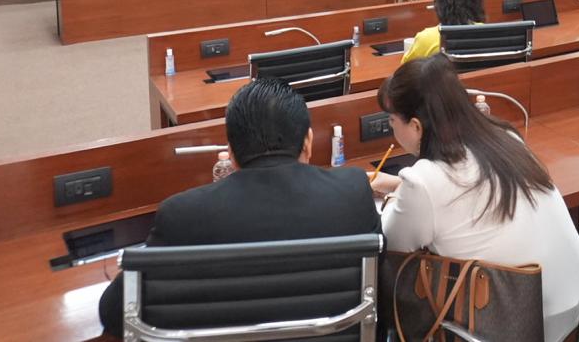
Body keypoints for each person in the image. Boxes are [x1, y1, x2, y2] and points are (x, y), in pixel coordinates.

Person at [97, 76, 381, 338]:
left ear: (231, 154)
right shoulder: (353, 191)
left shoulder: (181, 215)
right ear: (308, 142)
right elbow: (382, 289)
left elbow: (113, 313)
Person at [371, 56, 579, 342]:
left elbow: (392, 243)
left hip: (525, 328)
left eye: (392, 121)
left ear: (416, 126)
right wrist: (398, 185)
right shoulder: (505, 138)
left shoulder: (423, 182)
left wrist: (390, 198)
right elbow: (462, 189)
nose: (392, 129)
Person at [402, 0, 486, 63]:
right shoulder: (487, 33)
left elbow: (406, 70)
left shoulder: (425, 39)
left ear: (439, 4)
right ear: (476, 3)